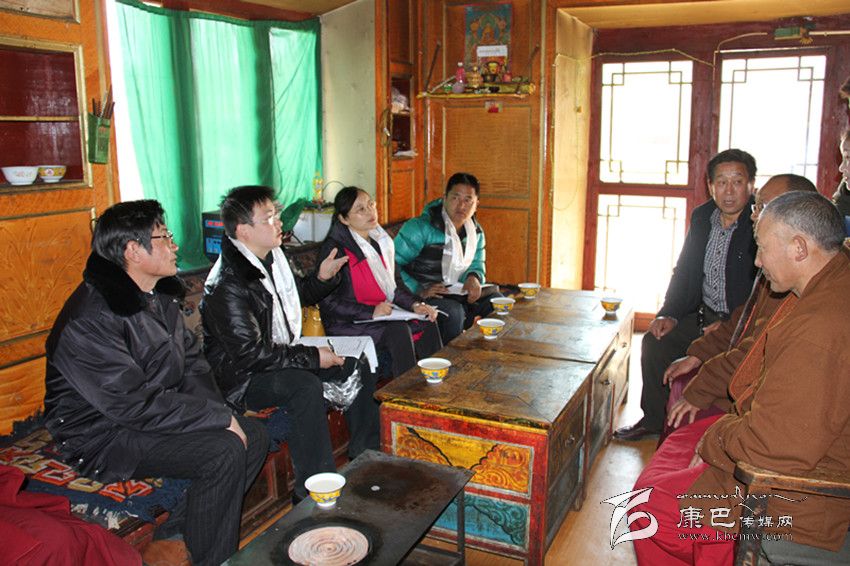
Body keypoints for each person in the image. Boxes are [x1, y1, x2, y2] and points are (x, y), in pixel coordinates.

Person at [630, 191, 850, 565]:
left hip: (799, 496)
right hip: (791, 456)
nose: (758, 261)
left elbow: (771, 446)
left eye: (762, 248)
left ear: (799, 248)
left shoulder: (819, 329)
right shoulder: (828, 282)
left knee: (646, 512)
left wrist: (715, 437)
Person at [44, 200, 268, 566]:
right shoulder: (89, 321)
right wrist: (216, 421)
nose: (175, 245)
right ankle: (216, 558)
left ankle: (176, 536)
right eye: (164, 237)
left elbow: (193, 366)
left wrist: (220, 414)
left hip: (148, 414)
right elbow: (132, 404)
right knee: (224, 450)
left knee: (253, 435)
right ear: (133, 251)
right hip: (103, 436)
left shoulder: (158, 295)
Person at [201, 185, 380, 504]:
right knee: (303, 385)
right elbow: (251, 355)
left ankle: (364, 455)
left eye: (276, 215)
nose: (279, 222)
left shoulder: (272, 259)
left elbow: (296, 300)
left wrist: (322, 279)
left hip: (277, 354)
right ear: (243, 230)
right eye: (269, 217)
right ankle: (313, 491)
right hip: (242, 379)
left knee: (355, 361)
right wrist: (312, 357)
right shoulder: (228, 283)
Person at [614, 149, 758, 441]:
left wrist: (731, 326)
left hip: (742, 323)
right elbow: (685, 271)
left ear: (751, 185)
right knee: (655, 341)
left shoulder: (759, 222)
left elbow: (762, 289)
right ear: (710, 185)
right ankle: (654, 421)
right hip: (704, 315)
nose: (729, 191)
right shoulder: (703, 217)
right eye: (721, 182)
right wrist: (669, 313)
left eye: (737, 182)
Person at [665, 174, 818, 432]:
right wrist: (699, 353)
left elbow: (755, 350)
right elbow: (744, 317)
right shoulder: (777, 260)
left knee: (685, 410)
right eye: (756, 206)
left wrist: (701, 389)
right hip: (738, 366)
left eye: (763, 207)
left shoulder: (798, 280)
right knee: (673, 366)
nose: (753, 216)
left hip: (762, 401)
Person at [318, 186, 442, 378]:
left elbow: (395, 287)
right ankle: (404, 390)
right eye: (361, 209)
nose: (370, 212)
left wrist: (415, 304)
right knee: (398, 330)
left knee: (428, 318)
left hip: (380, 315)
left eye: (371, 204)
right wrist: (370, 312)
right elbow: (328, 303)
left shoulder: (381, 242)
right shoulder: (335, 251)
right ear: (344, 219)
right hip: (347, 322)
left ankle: (436, 379)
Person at [395, 172, 499, 343]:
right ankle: (449, 356)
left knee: (498, 302)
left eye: (468, 200)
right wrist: (419, 290)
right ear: (444, 198)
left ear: (476, 204)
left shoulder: (476, 232)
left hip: (456, 292)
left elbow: (477, 263)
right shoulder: (420, 227)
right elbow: (390, 265)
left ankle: (492, 351)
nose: (461, 206)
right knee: (454, 311)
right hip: (422, 293)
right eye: (455, 198)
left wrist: (474, 277)